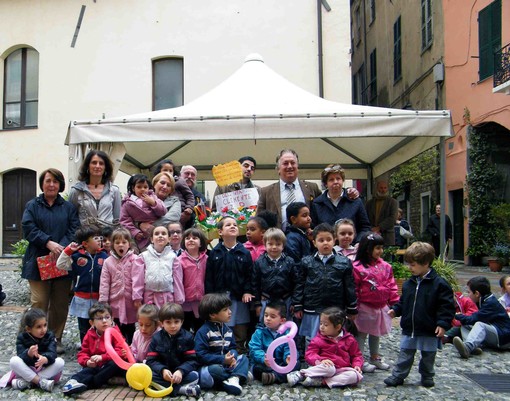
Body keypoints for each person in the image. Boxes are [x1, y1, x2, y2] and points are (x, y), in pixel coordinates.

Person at [21, 168, 80, 354]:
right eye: (48, 181)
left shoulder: (68, 207)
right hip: (38, 261)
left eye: (55, 181)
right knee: (39, 301)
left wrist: (61, 247)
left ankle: (55, 338)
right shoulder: (33, 205)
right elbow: (28, 227)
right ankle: (32, 337)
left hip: (63, 261)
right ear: (42, 184)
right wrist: (48, 242)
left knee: (60, 303)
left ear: (60, 184)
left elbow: (74, 229)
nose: (52, 184)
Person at [384, 242, 455, 388]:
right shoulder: (409, 283)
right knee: (405, 353)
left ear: (426, 263)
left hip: (429, 328)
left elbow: (446, 307)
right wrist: (396, 310)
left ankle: (427, 376)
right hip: (410, 328)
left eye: (413, 265)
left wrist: (442, 324)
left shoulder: (440, 284)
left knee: (428, 356)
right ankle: (398, 376)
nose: (409, 268)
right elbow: (404, 302)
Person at [293, 223, 358, 341]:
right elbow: (300, 284)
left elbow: (349, 286)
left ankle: (334, 359)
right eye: (321, 240)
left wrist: (352, 307)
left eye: (329, 239)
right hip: (312, 307)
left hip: (335, 307)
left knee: (335, 338)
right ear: (314, 242)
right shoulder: (306, 262)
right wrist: (298, 304)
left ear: (334, 240)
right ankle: (313, 359)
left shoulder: (344, 262)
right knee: (312, 339)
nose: (325, 243)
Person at [205, 217, 254, 354]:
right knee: (223, 327)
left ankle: (240, 352)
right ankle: (223, 354)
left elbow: (250, 275)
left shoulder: (244, 252)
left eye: (235, 225)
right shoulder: (215, 252)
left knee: (240, 328)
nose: (232, 226)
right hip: (220, 298)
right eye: (228, 225)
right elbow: (209, 277)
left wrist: (247, 291)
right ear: (220, 232)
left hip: (239, 297)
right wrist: (210, 297)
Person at [352, 233, 399, 373]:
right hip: (365, 306)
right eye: (377, 248)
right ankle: (358, 359)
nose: (380, 251)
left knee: (376, 333)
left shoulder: (385, 266)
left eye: (381, 248)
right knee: (361, 333)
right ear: (368, 249)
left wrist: (395, 303)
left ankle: (375, 357)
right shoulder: (357, 268)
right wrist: (353, 306)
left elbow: (391, 285)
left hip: (381, 306)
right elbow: (354, 288)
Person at [287, 307, 363, 388]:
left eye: (325, 325)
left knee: (354, 376)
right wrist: (320, 360)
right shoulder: (318, 339)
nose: (322, 327)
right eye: (321, 323)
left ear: (337, 327)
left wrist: (357, 365)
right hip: (323, 368)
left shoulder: (349, 339)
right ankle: (301, 374)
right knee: (330, 369)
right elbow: (310, 354)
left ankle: (322, 382)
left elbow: (356, 355)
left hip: (341, 369)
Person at [56, 226, 108, 343]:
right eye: (95, 238)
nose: (99, 240)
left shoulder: (104, 257)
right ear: (85, 243)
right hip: (81, 297)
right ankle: (85, 346)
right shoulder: (77, 257)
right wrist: (68, 250)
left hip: (98, 297)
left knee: (99, 323)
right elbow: (60, 264)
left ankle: (98, 347)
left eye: (100, 237)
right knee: (83, 325)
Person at [62, 303, 126, 396]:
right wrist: (87, 361)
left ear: (112, 319)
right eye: (100, 318)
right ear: (92, 323)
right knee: (87, 370)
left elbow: (120, 351)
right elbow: (83, 352)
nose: (104, 321)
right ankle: (72, 382)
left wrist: (102, 357)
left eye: (107, 317)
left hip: (109, 365)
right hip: (96, 366)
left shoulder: (115, 332)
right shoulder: (90, 334)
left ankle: (89, 384)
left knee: (114, 364)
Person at [194, 293, 250, 395]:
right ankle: (237, 376)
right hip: (211, 367)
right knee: (215, 370)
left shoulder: (228, 330)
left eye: (229, 308)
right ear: (212, 314)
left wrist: (233, 356)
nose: (230, 312)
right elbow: (200, 355)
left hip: (226, 365)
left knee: (244, 358)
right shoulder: (203, 332)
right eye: (225, 310)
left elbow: (233, 347)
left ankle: (232, 379)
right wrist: (222, 359)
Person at [99, 227, 144, 343]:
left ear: (129, 244)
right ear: (113, 244)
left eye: (124, 242)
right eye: (117, 242)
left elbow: (138, 280)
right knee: (116, 327)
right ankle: (117, 351)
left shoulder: (135, 259)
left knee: (130, 328)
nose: (121, 245)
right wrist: (104, 300)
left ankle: (131, 350)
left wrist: (137, 297)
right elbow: (104, 282)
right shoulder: (108, 262)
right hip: (114, 301)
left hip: (131, 302)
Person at [257, 149, 322, 230]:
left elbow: (321, 215)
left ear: (298, 167)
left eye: (293, 163)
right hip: (277, 240)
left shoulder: (312, 188)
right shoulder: (266, 192)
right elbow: (259, 221)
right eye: (285, 163)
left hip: (306, 239)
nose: (290, 166)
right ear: (278, 169)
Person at [146, 303, 201, 397]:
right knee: (147, 376)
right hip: (163, 374)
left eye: (176, 322)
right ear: (161, 323)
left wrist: (180, 371)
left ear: (182, 322)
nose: (173, 326)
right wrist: (162, 370)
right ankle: (181, 390)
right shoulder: (156, 338)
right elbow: (151, 360)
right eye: (168, 322)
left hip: (181, 375)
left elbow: (192, 360)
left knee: (195, 376)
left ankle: (164, 388)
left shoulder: (188, 337)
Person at [4, 308, 64, 392]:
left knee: (60, 361)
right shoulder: (22, 337)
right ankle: (40, 382)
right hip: (28, 368)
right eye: (39, 327)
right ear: (28, 329)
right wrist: (28, 354)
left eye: (45, 325)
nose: (43, 329)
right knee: (14, 361)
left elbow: (53, 353)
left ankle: (28, 382)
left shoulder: (50, 336)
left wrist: (45, 359)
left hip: (44, 369)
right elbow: (20, 355)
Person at [452, 276, 510, 358]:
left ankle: (468, 347)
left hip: (503, 338)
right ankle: (471, 346)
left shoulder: (490, 303)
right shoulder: (484, 300)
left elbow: (474, 319)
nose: (468, 296)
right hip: (497, 333)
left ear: (477, 294)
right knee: (465, 324)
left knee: (480, 324)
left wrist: (458, 316)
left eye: (469, 292)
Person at [311, 164, 370, 242]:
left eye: (338, 178)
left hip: (352, 249)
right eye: (331, 180)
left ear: (343, 180)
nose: (335, 182)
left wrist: (358, 243)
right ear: (326, 184)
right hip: (328, 250)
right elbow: (314, 229)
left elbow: (365, 227)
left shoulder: (355, 201)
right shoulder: (317, 204)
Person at [248, 301, 299, 385]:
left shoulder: (286, 335)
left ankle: (274, 377)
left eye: (272, 316)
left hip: (280, 364)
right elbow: (254, 349)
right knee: (257, 368)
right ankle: (274, 376)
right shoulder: (259, 332)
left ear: (282, 320)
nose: (268, 318)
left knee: (296, 364)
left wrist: (288, 357)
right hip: (265, 364)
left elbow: (290, 349)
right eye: (266, 315)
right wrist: (263, 358)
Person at [251, 228, 296, 321]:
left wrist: (295, 302)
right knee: (266, 326)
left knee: (286, 326)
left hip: (286, 300)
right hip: (266, 300)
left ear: (283, 246)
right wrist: (257, 303)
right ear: (265, 244)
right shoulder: (259, 262)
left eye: (278, 244)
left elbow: (296, 282)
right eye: (270, 244)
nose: (274, 247)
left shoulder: (289, 262)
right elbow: (255, 284)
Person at [68, 150, 121, 229]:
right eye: (94, 162)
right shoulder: (76, 191)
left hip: (108, 238)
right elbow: (71, 218)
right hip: (85, 238)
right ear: (88, 166)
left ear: (105, 167)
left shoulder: (114, 190)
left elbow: (117, 220)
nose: (97, 166)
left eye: (101, 163)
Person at [137, 225, 184, 307]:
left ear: (169, 239)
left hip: (168, 297)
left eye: (163, 233)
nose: (160, 236)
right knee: (151, 319)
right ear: (151, 239)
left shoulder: (173, 257)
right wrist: (137, 297)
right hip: (149, 297)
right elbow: (138, 279)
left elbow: (178, 280)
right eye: (157, 234)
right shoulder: (143, 256)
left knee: (166, 319)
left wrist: (179, 299)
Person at [120, 174, 166, 252]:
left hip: (155, 229)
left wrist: (153, 203)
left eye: (145, 187)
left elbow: (163, 211)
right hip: (139, 235)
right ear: (133, 188)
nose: (142, 189)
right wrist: (135, 232)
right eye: (139, 187)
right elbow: (124, 220)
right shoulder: (127, 202)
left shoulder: (153, 197)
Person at [179, 227, 208, 333]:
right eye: (187, 238)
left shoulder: (207, 259)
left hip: (201, 301)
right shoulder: (179, 261)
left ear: (201, 243)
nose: (190, 240)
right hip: (185, 301)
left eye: (194, 238)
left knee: (200, 326)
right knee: (185, 326)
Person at [138, 172, 182, 240]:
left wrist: (150, 227)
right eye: (162, 183)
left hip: (165, 240)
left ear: (171, 190)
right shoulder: (143, 196)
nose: (165, 187)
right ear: (154, 184)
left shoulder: (175, 201)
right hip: (142, 239)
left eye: (168, 185)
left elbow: (172, 218)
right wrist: (139, 224)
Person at [153, 160, 196, 225]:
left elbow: (189, 195)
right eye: (165, 170)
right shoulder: (150, 197)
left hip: (182, 210)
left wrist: (189, 207)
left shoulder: (179, 181)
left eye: (170, 171)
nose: (165, 187)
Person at [364, 180, 398, 246]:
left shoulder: (392, 202)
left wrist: (379, 227)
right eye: (381, 188)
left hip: (387, 237)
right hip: (372, 236)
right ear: (377, 189)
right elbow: (365, 217)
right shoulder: (369, 203)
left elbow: (393, 218)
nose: (383, 190)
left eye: (385, 188)